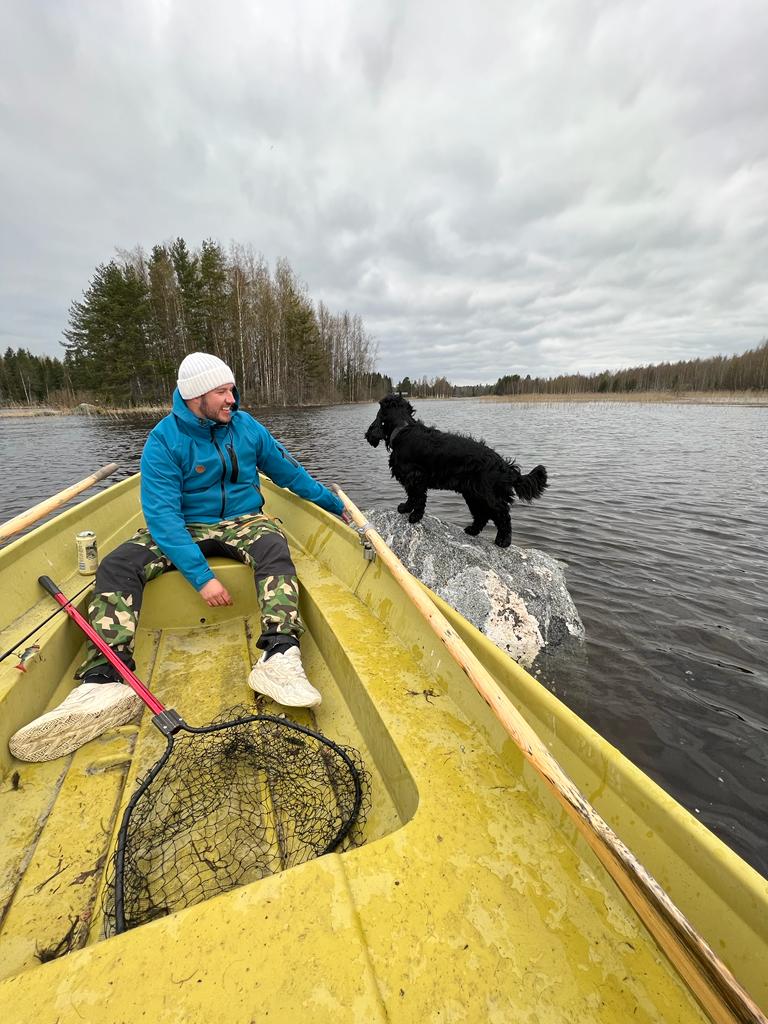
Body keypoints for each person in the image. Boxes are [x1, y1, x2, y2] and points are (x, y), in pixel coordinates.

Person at [10, 352, 347, 763]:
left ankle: (278, 654)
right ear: (195, 396)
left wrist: (334, 506)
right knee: (118, 564)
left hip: (241, 520)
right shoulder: (164, 441)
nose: (232, 399)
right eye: (222, 392)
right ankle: (105, 679)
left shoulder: (247, 428)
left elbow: (290, 474)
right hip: (183, 526)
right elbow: (164, 518)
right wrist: (202, 577)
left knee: (274, 546)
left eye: (231, 389)